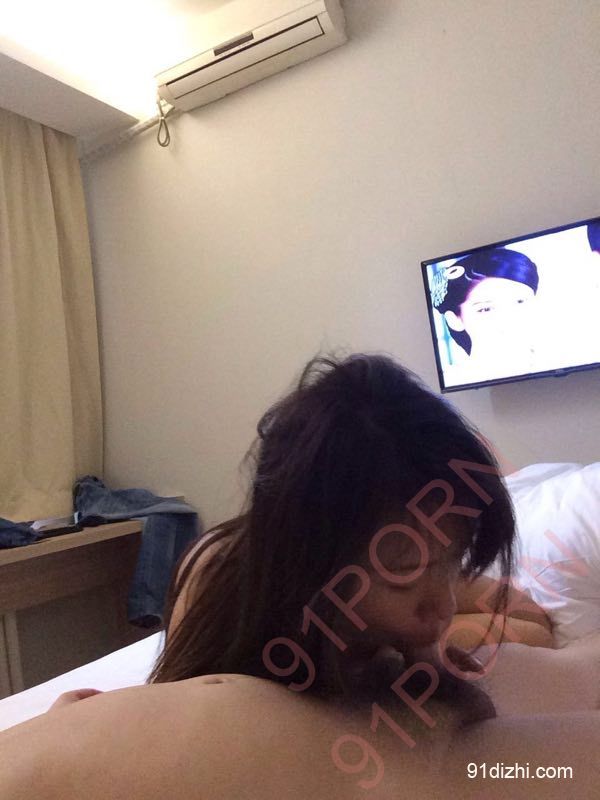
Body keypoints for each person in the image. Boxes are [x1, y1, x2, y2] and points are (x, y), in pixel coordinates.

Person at [1, 353, 598, 800]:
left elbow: (516, 624)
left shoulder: (411, 587)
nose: (439, 602)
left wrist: (434, 652)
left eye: (456, 560)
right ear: (314, 555)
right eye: (405, 567)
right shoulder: (219, 583)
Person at [431, 248, 540, 382]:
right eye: (486, 309)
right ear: (454, 320)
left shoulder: (556, 361)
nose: (508, 318)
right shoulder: (453, 380)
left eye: (520, 301)